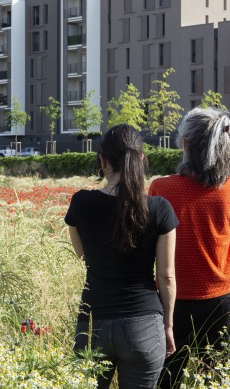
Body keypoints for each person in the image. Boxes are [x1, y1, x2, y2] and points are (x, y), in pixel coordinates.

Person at [65, 124, 178, 389]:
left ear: (102, 161)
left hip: (93, 321)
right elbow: (167, 276)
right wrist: (169, 326)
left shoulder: (81, 202)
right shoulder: (159, 208)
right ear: (140, 159)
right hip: (145, 323)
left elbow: (82, 254)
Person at [148, 107, 230, 388]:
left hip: (173, 299)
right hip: (224, 297)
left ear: (184, 144)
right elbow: (227, 238)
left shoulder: (160, 188)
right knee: (216, 378)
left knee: (168, 378)